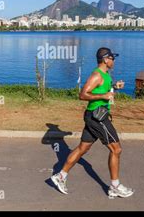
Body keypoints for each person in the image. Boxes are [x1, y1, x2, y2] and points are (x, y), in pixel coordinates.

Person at [51, 47, 134, 198]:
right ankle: (114, 186)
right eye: (112, 58)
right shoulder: (97, 75)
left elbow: (102, 90)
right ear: (105, 59)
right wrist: (105, 95)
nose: (113, 60)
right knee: (116, 150)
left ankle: (60, 176)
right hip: (97, 118)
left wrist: (114, 87)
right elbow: (82, 95)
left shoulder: (105, 75)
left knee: (83, 148)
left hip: (94, 116)